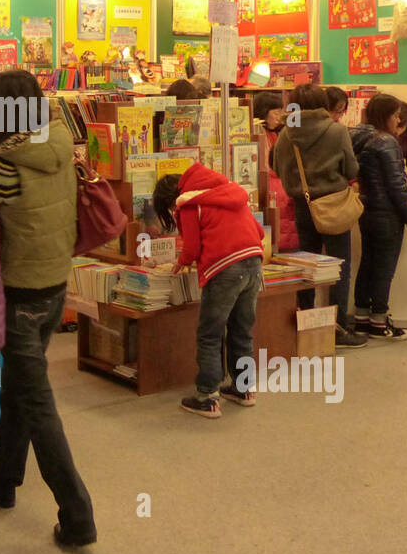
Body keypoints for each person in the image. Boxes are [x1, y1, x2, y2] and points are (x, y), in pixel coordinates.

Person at [0, 69, 94, 549]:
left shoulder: (4, 162)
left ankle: (78, 516)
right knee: (19, 390)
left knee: (38, 405)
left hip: (19, 291)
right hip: (55, 283)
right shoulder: (60, 143)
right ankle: (2, 481)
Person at [153, 163, 265, 419]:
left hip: (224, 269)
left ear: (172, 200)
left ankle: (207, 396)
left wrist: (180, 263)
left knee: (210, 334)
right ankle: (243, 389)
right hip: (253, 263)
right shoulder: (231, 192)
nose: (173, 212)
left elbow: (191, 248)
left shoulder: (190, 204)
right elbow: (258, 231)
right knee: (242, 329)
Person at [273, 83, 362, 346]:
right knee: (338, 266)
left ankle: (307, 323)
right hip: (333, 203)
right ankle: (337, 327)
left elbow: (276, 166)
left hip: (303, 204)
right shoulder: (336, 131)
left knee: (307, 266)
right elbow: (351, 167)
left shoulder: (286, 134)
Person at [349, 94, 407, 338]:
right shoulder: (386, 142)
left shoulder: (357, 137)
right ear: (386, 116)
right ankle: (379, 320)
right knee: (384, 269)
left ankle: (361, 318)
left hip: (366, 211)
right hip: (388, 214)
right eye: (396, 115)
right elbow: (397, 185)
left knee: (368, 264)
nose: (398, 120)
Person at [252, 91, 298, 251]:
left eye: (281, 112)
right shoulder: (257, 134)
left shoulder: (279, 133)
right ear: (264, 112)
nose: (279, 117)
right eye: (276, 112)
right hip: (269, 191)